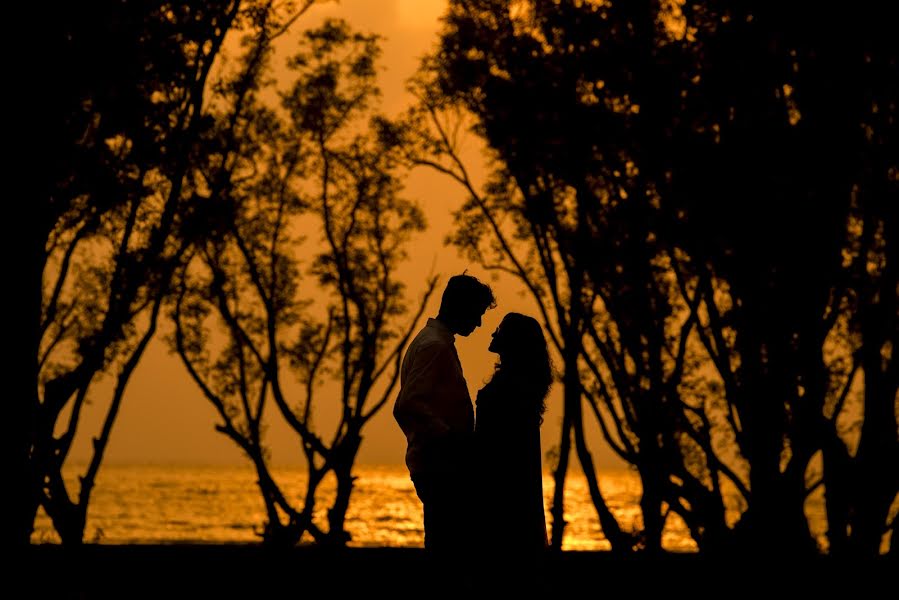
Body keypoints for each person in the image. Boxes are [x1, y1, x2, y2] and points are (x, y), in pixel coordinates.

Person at [393, 273, 496, 574]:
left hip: (439, 465)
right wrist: (451, 438)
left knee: (447, 550)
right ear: (460, 306)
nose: (478, 324)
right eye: (476, 313)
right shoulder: (434, 346)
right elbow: (408, 403)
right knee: (449, 554)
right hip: (440, 468)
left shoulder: (432, 342)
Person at [473, 312, 552, 591]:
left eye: (499, 330)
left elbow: (488, 449)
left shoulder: (506, 391)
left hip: (499, 493)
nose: (492, 334)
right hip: (518, 490)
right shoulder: (524, 388)